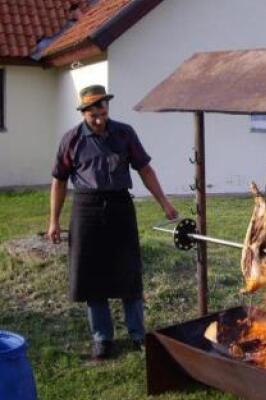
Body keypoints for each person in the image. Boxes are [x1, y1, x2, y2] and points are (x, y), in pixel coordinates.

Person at [47, 85, 177, 360]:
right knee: (91, 275)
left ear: (107, 106)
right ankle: (102, 338)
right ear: (83, 112)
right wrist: (54, 221)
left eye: (101, 106)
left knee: (128, 271)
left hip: (120, 206)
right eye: (91, 108)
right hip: (86, 208)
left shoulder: (125, 133)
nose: (98, 113)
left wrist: (164, 203)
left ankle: (138, 334)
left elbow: (145, 169)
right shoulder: (71, 140)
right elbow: (58, 181)